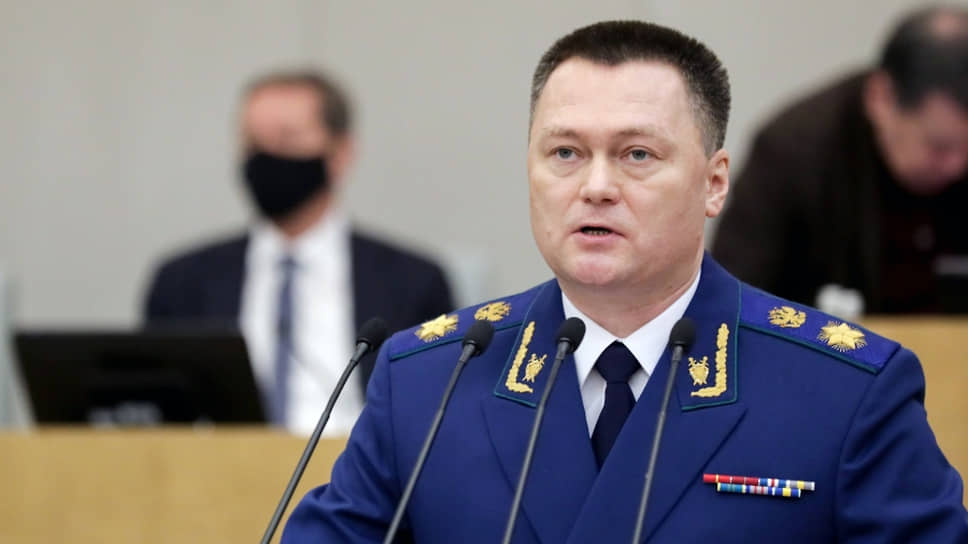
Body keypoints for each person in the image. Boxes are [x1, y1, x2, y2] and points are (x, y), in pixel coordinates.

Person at [282, 21, 968, 542]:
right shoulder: (429, 381)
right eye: (565, 152)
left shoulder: (844, 391)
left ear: (714, 183)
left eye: (637, 154)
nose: (596, 186)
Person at [143, 70, 453, 435]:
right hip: (222, 466)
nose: (267, 156)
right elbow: (156, 419)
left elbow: (436, 410)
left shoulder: (413, 281)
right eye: (253, 142)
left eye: (286, 139)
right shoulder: (182, 282)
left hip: (353, 466)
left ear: (340, 153)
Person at [713, 6, 968, 315]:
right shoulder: (792, 155)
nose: (958, 166)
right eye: (939, 147)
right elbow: (730, 303)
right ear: (882, 98)